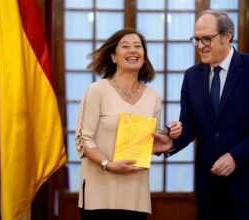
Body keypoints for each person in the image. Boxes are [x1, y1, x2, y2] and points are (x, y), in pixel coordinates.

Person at [153, 10, 249, 220]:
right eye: (196, 39)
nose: (201, 45)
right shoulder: (192, 76)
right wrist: (170, 141)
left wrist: (235, 157)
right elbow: (190, 123)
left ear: (227, 36)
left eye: (207, 38)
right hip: (210, 189)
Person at [75, 28, 182, 220]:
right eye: (125, 46)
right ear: (113, 57)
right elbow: (84, 139)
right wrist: (108, 164)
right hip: (99, 192)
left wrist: (167, 137)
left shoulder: (153, 96)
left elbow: (149, 141)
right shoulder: (97, 90)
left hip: (135, 194)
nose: (133, 50)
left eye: (138, 46)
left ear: (144, 56)